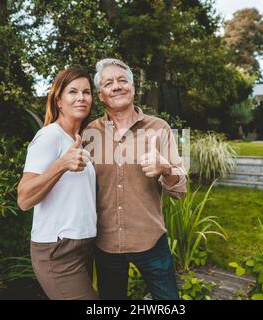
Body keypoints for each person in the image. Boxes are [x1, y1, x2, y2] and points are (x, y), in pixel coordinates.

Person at [83, 58, 187, 300]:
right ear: (101, 95)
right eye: (109, 83)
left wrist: (165, 168)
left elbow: (181, 189)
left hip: (151, 242)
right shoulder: (89, 133)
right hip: (106, 244)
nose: (117, 86)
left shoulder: (159, 128)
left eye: (122, 80)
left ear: (133, 87)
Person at [17, 67, 97, 300]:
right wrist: (61, 165)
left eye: (86, 92)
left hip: (84, 245)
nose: (81, 98)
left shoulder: (80, 140)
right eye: (73, 91)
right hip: (58, 250)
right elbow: (24, 198)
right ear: (59, 101)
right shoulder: (49, 136)